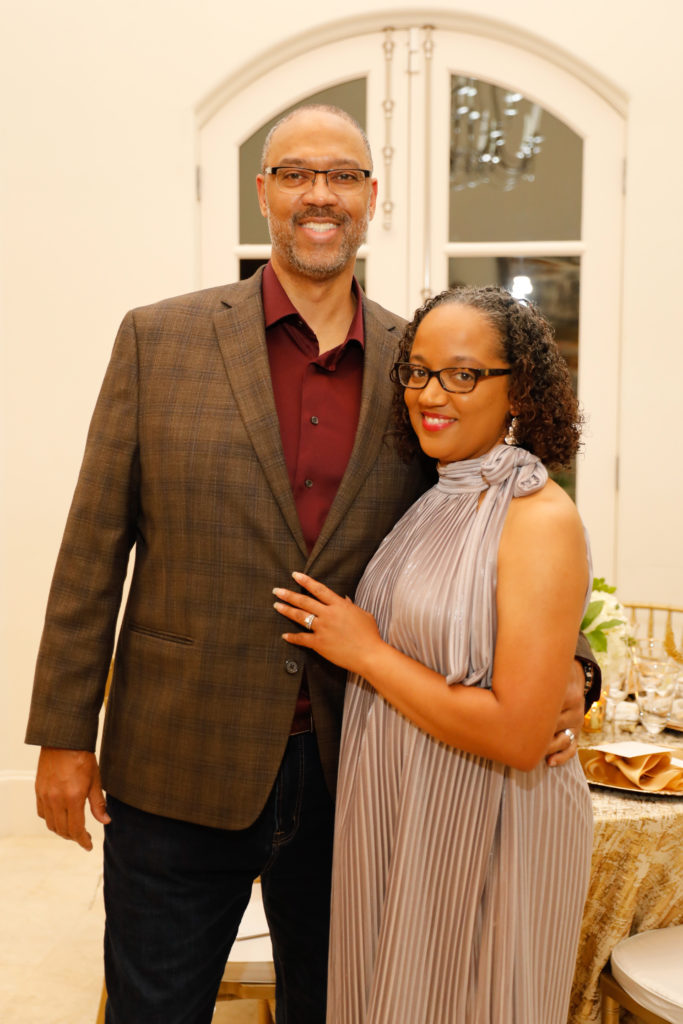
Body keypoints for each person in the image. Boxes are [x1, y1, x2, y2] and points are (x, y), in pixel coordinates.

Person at [26, 107, 591, 1024]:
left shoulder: (421, 365)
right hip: (177, 754)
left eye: (342, 176)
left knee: (336, 1006)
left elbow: (491, 525)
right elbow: (92, 548)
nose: (318, 195)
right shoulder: (158, 339)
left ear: (371, 198)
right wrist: (63, 733)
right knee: (152, 1006)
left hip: (357, 767)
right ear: (263, 193)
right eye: (295, 174)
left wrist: (572, 667)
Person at [273, 285, 594, 1023]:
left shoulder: (537, 518)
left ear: (519, 390)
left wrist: (365, 652)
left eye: (462, 374)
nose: (429, 394)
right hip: (404, 812)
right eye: (417, 371)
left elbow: (517, 736)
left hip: (487, 824)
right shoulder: (436, 494)